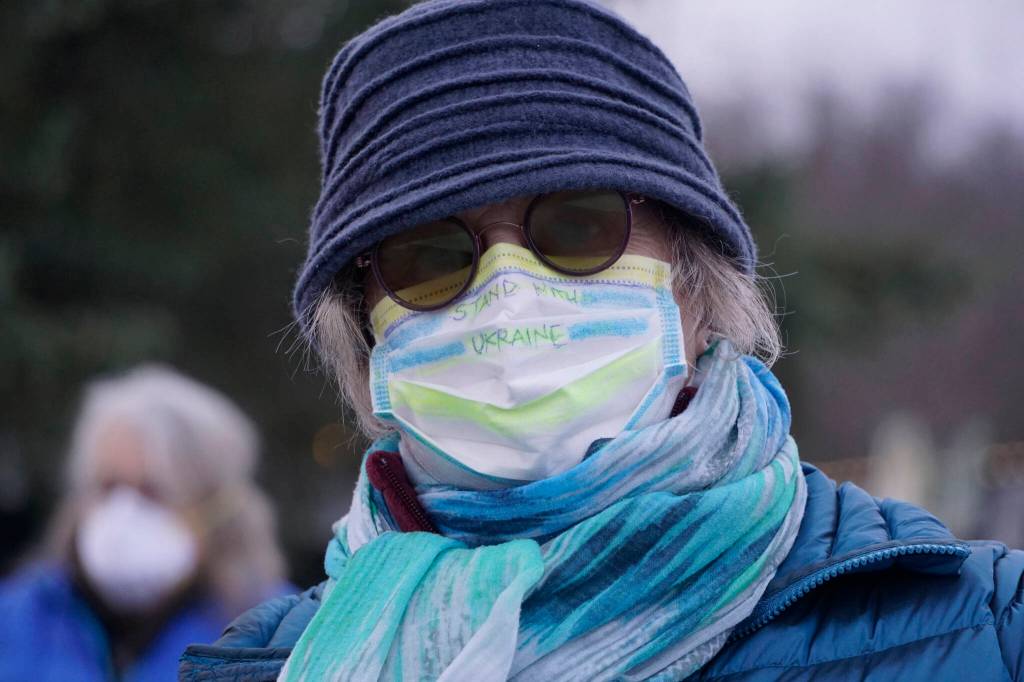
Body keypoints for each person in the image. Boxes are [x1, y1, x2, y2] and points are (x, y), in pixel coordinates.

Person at [179, 0, 1023, 679]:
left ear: (694, 291)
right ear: (368, 341)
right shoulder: (266, 664)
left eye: (578, 228)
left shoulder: (986, 630)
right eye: (430, 257)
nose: (509, 295)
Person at [0, 365, 289, 681]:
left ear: (217, 507)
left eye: (152, 492)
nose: (124, 513)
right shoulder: (16, 621)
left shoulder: (283, 638)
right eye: (108, 486)